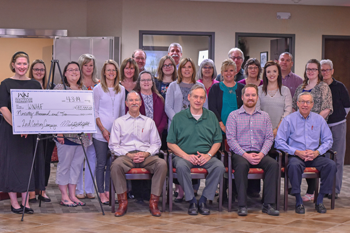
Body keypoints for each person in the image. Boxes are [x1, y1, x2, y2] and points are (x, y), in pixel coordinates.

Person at [167, 84, 225, 215]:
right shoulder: (178, 118)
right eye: (195, 97)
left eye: (201, 97)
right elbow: (170, 143)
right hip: (183, 156)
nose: (198, 100)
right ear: (189, 98)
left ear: (205, 100)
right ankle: (192, 200)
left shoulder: (211, 117)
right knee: (181, 167)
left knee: (219, 167)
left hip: (206, 156)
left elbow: (217, 141)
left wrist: (209, 155)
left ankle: (203, 199)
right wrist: (186, 156)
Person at [275, 92, 336, 214]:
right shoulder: (289, 120)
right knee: (293, 166)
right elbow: (279, 141)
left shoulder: (319, 119)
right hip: (296, 156)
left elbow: (328, 140)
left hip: (314, 155)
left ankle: (319, 200)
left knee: (331, 165)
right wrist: (296, 152)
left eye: (308, 102)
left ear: (312, 104)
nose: (305, 105)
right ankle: (298, 201)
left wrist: (317, 152)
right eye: (302, 101)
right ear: (297, 103)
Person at [109, 91, 167, 217]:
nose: (134, 102)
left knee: (161, 164)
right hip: (126, 156)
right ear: (126, 103)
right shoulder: (119, 122)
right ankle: (122, 203)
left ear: (140, 103)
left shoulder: (149, 122)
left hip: (146, 156)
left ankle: (154, 203)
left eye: (136, 100)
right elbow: (113, 145)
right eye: (131, 100)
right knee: (115, 166)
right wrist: (128, 155)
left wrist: (146, 154)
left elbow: (156, 144)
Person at [226, 84, 280, 217]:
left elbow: (269, 138)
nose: (250, 98)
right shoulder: (233, 116)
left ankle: (268, 205)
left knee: (273, 165)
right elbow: (231, 139)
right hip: (240, 153)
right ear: (243, 97)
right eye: (248, 95)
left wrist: (262, 154)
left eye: (253, 95)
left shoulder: (264, 116)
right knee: (242, 165)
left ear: (257, 97)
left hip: (259, 152)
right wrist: (245, 155)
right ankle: (242, 205)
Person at [0, 51, 42, 214]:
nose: (22, 67)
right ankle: (14, 203)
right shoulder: (5, 84)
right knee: (12, 165)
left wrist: (27, 127)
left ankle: (26, 202)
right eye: (19, 64)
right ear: (13, 65)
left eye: (25, 64)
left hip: (29, 133)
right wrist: (19, 126)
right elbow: (3, 108)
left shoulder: (35, 84)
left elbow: (39, 108)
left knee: (27, 166)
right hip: (10, 132)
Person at [165, 58, 208, 201]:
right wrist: (179, 122)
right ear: (180, 69)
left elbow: (205, 107)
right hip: (177, 127)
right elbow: (168, 107)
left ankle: (194, 188)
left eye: (189, 67)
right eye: (184, 67)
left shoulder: (199, 85)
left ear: (193, 69)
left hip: (197, 127)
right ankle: (180, 188)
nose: (187, 70)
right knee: (181, 155)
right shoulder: (173, 86)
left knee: (195, 152)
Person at [292, 59, 333, 202]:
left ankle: (312, 192)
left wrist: (312, 123)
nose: (310, 71)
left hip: (316, 130)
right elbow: (293, 107)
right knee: (302, 157)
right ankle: (303, 191)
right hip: (299, 130)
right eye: (308, 69)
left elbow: (327, 108)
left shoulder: (323, 87)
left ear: (319, 72)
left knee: (313, 157)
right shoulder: (300, 87)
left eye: (314, 69)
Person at [54, 61, 91, 207]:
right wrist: (59, 133)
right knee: (65, 166)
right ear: (65, 73)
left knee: (76, 166)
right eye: (70, 70)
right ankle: (64, 196)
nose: (74, 72)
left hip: (82, 136)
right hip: (65, 136)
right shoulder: (59, 89)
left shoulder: (83, 89)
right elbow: (54, 112)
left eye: (76, 70)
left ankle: (72, 195)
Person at [130, 71, 168, 203]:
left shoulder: (159, 98)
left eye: (148, 80)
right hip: (137, 137)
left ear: (153, 82)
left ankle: (151, 193)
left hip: (155, 137)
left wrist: (155, 131)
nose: (146, 82)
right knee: (138, 159)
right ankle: (137, 193)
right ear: (139, 83)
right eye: (143, 80)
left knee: (153, 162)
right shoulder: (134, 97)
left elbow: (164, 117)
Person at [93, 59, 125, 205]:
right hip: (100, 134)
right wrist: (103, 130)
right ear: (104, 72)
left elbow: (123, 112)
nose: (111, 72)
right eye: (108, 70)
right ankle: (100, 192)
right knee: (101, 164)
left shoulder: (122, 89)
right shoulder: (97, 89)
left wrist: (120, 132)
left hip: (116, 134)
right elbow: (95, 112)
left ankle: (108, 191)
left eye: (114, 70)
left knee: (111, 164)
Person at [321, 59, 350, 199]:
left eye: (327, 70)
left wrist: (339, 117)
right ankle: (325, 188)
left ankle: (335, 190)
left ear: (332, 71)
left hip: (338, 125)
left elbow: (347, 106)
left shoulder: (339, 86)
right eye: (322, 70)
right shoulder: (318, 87)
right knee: (325, 158)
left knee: (337, 158)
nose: (325, 72)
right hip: (323, 127)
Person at [76, 54, 99, 200]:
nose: (88, 68)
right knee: (79, 158)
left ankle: (90, 189)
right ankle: (79, 189)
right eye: (85, 65)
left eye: (91, 65)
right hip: (79, 125)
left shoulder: (99, 84)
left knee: (92, 158)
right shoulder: (76, 84)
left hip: (95, 126)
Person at [28, 59, 52, 203]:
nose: (39, 72)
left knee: (45, 161)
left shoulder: (51, 87)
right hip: (31, 129)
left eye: (42, 69)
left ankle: (42, 190)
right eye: (36, 69)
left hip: (48, 131)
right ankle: (31, 192)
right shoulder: (27, 86)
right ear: (31, 71)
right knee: (31, 162)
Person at [256, 61, 292, 138]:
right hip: (263, 132)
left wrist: (277, 129)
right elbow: (257, 111)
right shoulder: (259, 90)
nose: (272, 74)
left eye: (274, 71)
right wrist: (267, 131)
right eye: (268, 72)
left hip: (282, 131)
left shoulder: (285, 90)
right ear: (265, 74)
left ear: (278, 73)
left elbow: (288, 112)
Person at [209, 59, 244, 133]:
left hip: (239, 130)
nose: (228, 73)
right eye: (226, 71)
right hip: (218, 130)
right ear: (222, 73)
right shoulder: (215, 88)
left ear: (235, 72)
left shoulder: (242, 88)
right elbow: (212, 108)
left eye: (231, 70)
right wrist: (222, 126)